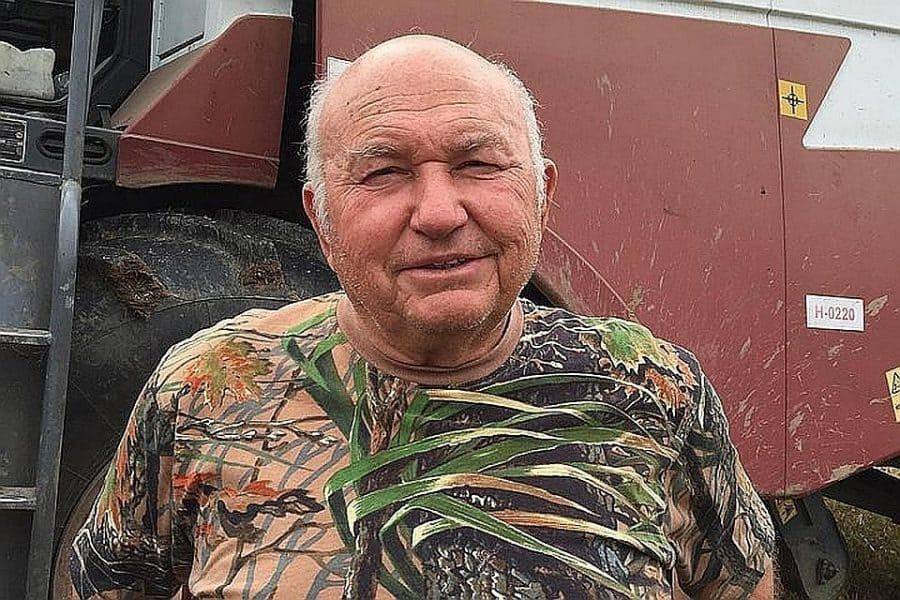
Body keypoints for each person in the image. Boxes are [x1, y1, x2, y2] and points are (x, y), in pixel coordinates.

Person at [69, 34, 775, 599]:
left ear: (542, 197)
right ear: (321, 219)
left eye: (478, 164)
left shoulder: (650, 386)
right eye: (383, 173)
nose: (439, 213)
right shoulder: (207, 386)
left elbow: (742, 583)